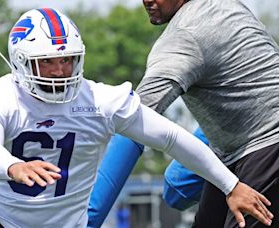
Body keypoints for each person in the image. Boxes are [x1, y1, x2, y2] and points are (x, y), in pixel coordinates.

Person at [0, 7, 272, 228]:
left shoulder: (100, 100)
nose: (60, 71)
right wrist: (12, 166)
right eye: (47, 62)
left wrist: (230, 185)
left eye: (68, 60)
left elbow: (171, 138)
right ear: (21, 63)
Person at [88, 0, 279, 227]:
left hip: (267, 143)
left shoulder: (183, 36)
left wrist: (88, 220)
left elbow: (132, 125)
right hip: (236, 150)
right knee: (177, 188)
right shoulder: (227, 4)